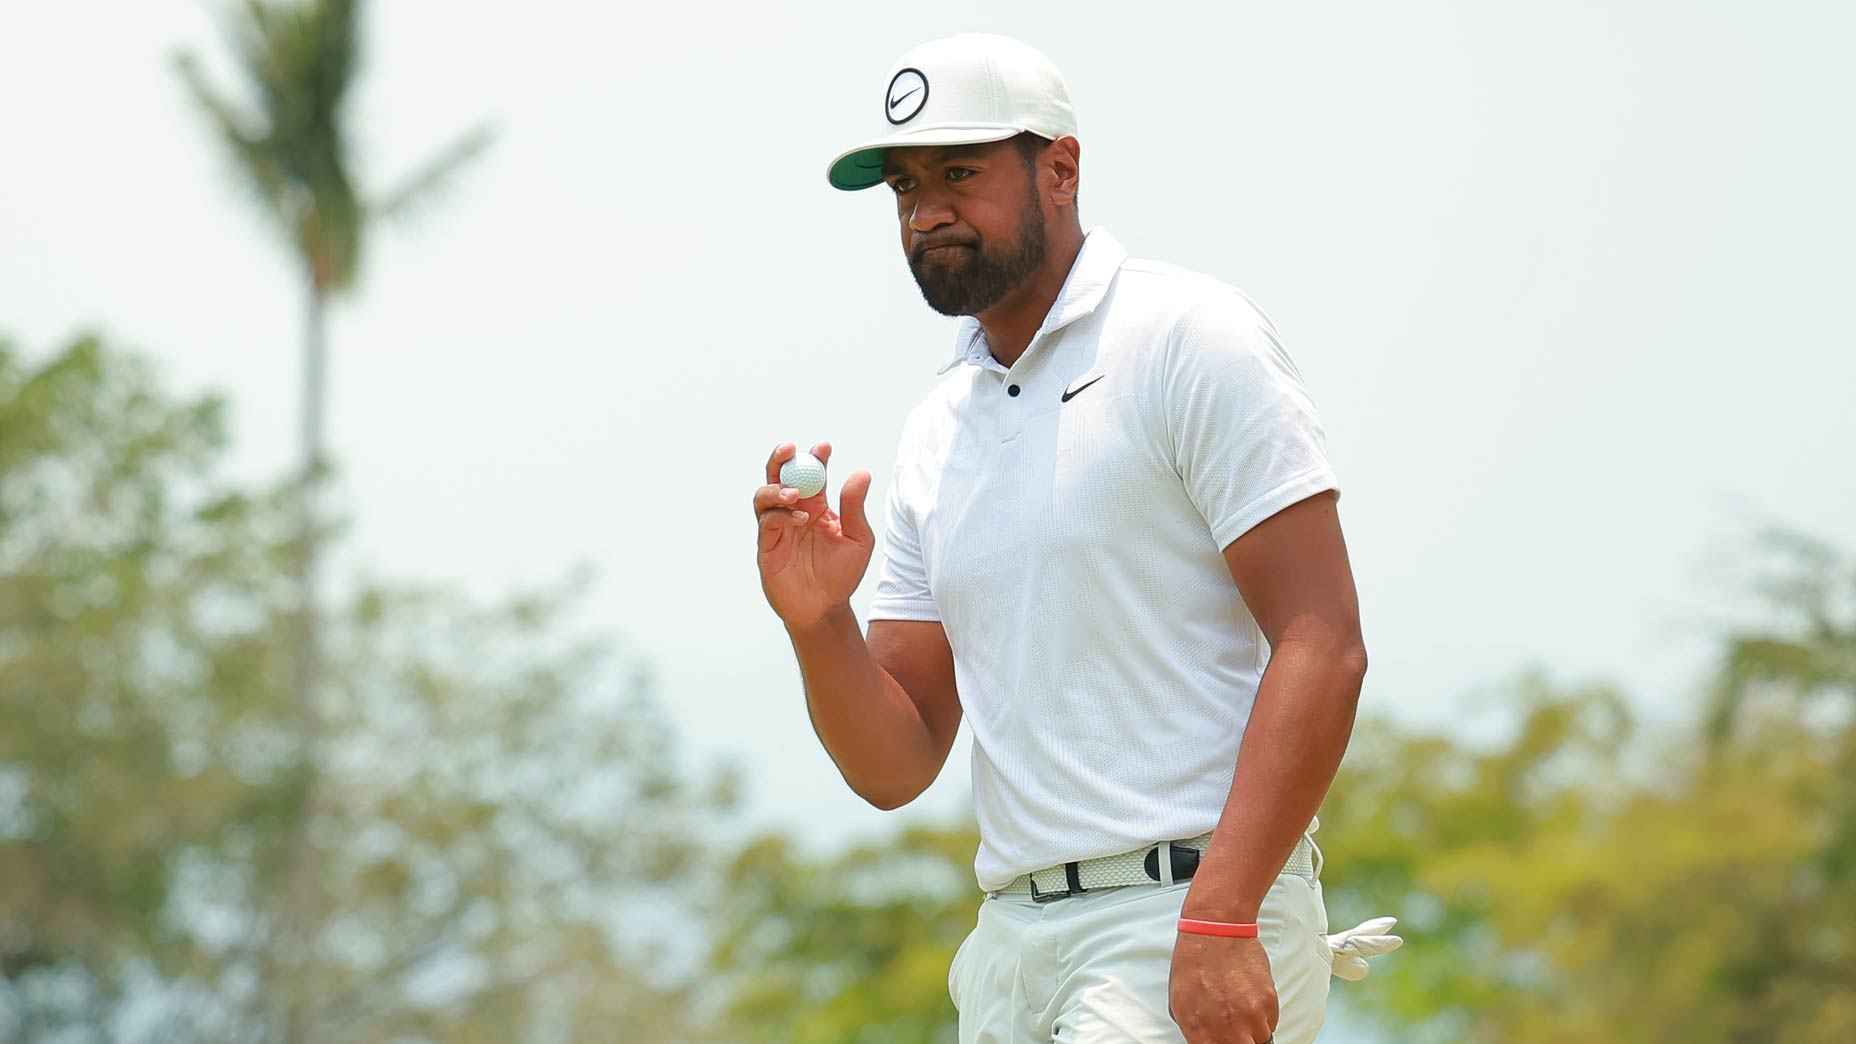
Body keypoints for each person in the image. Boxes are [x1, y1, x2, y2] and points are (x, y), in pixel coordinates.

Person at [753, 32, 1399, 1044]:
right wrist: (819, 623)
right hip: (1012, 949)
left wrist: (1223, 914)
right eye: (904, 188)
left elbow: (1323, 641)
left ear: (1059, 166)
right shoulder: (936, 430)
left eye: (958, 172)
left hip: (1185, 917)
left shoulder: (1187, 339)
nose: (926, 210)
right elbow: (895, 763)